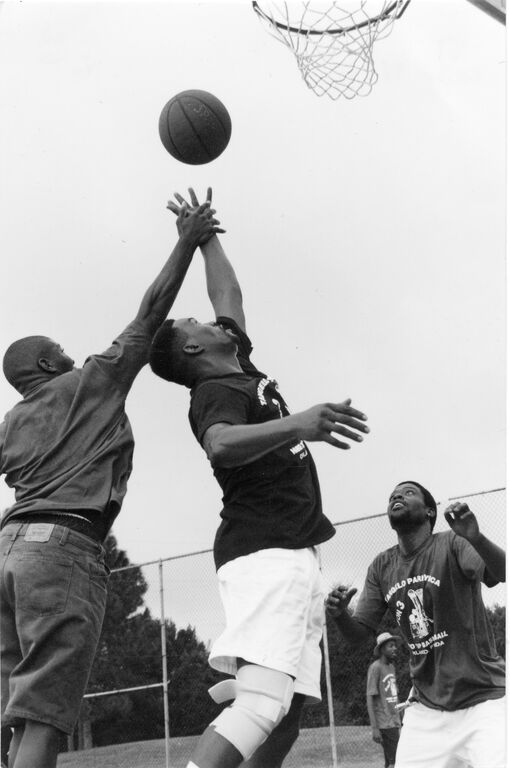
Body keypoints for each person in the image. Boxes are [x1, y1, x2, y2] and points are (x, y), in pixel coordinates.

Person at [149, 188, 370, 768]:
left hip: (292, 551)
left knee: (288, 714)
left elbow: (228, 294)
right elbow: (220, 445)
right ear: (192, 346)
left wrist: (205, 237)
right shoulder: (214, 390)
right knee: (261, 704)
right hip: (263, 550)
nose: (211, 319)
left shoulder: (239, 365)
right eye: (197, 322)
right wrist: (300, 423)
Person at [0, 193, 222, 768]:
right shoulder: (89, 382)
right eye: (61, 351)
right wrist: (187, 240)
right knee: (44, 717)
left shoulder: (10, 424)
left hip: (7, 552)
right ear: (46, 365)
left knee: (16, 716)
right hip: (59, 549)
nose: (72, 355)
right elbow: (150, 313)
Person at [326, 481, 506, 768]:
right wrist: (339, 615)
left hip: (482, 701)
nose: (397, 495)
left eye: (409, 492)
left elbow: (501, 572)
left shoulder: (453, 542)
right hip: (426, 708)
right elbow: (359, 635)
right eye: (393, 496)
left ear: (429, 512)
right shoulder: (382, 566)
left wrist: (477, 538)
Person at [366, 632, 401, 768]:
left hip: (394, 721)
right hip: (384, 723)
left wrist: (400, 717)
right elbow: (370, 697)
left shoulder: (391, 668)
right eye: (390, 646)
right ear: (381, 649)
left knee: (390, 761)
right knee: (396, 762)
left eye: (395, 646)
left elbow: (394, 695)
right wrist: (375, 728)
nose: (394, 648)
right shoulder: (376, 668)